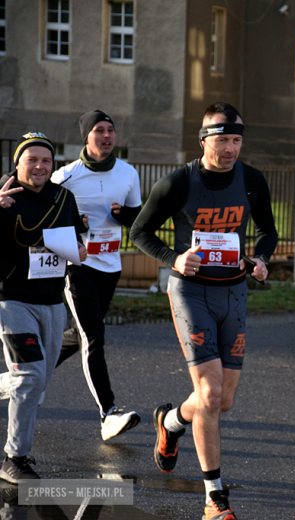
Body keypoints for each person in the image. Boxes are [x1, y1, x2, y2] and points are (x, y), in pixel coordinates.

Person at [130, 102, 277, 520]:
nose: (230, 148)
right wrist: (174, 258)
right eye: (222, 139)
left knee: (222, 400)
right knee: (210, 394)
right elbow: (140, 231)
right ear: (203, 140)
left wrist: (261, 260)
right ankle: (214, 497)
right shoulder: (177, 182)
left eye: (236, 140)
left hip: (233, 293)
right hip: (191, 293)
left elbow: (268, 230)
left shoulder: (252, 181)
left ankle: (172, 422)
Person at [0, 132, 88, 483]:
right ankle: (15, 458)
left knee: (36, 382)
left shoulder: (63, 196)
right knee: (31, 377)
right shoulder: (4, 195)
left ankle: (19, 386)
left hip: (52, 300)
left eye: (46, 161)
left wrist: (80, 249)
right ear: (18, 163)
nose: (39, 166)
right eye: (31, 160)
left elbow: (79, 237)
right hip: (11, 299)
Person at [51, 110, 142, 441]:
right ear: (86, 137)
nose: (107, 136)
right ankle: (108, 413)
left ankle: (25, 378)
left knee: (79, 336)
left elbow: (137, 218)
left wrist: (125, 214)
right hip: (78, 267)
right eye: (99, 130)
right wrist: (75, 223)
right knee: (94, 337)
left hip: (111, 267)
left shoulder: (128, 173)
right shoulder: (66, 175)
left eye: (111, 130)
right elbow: (46, 210)